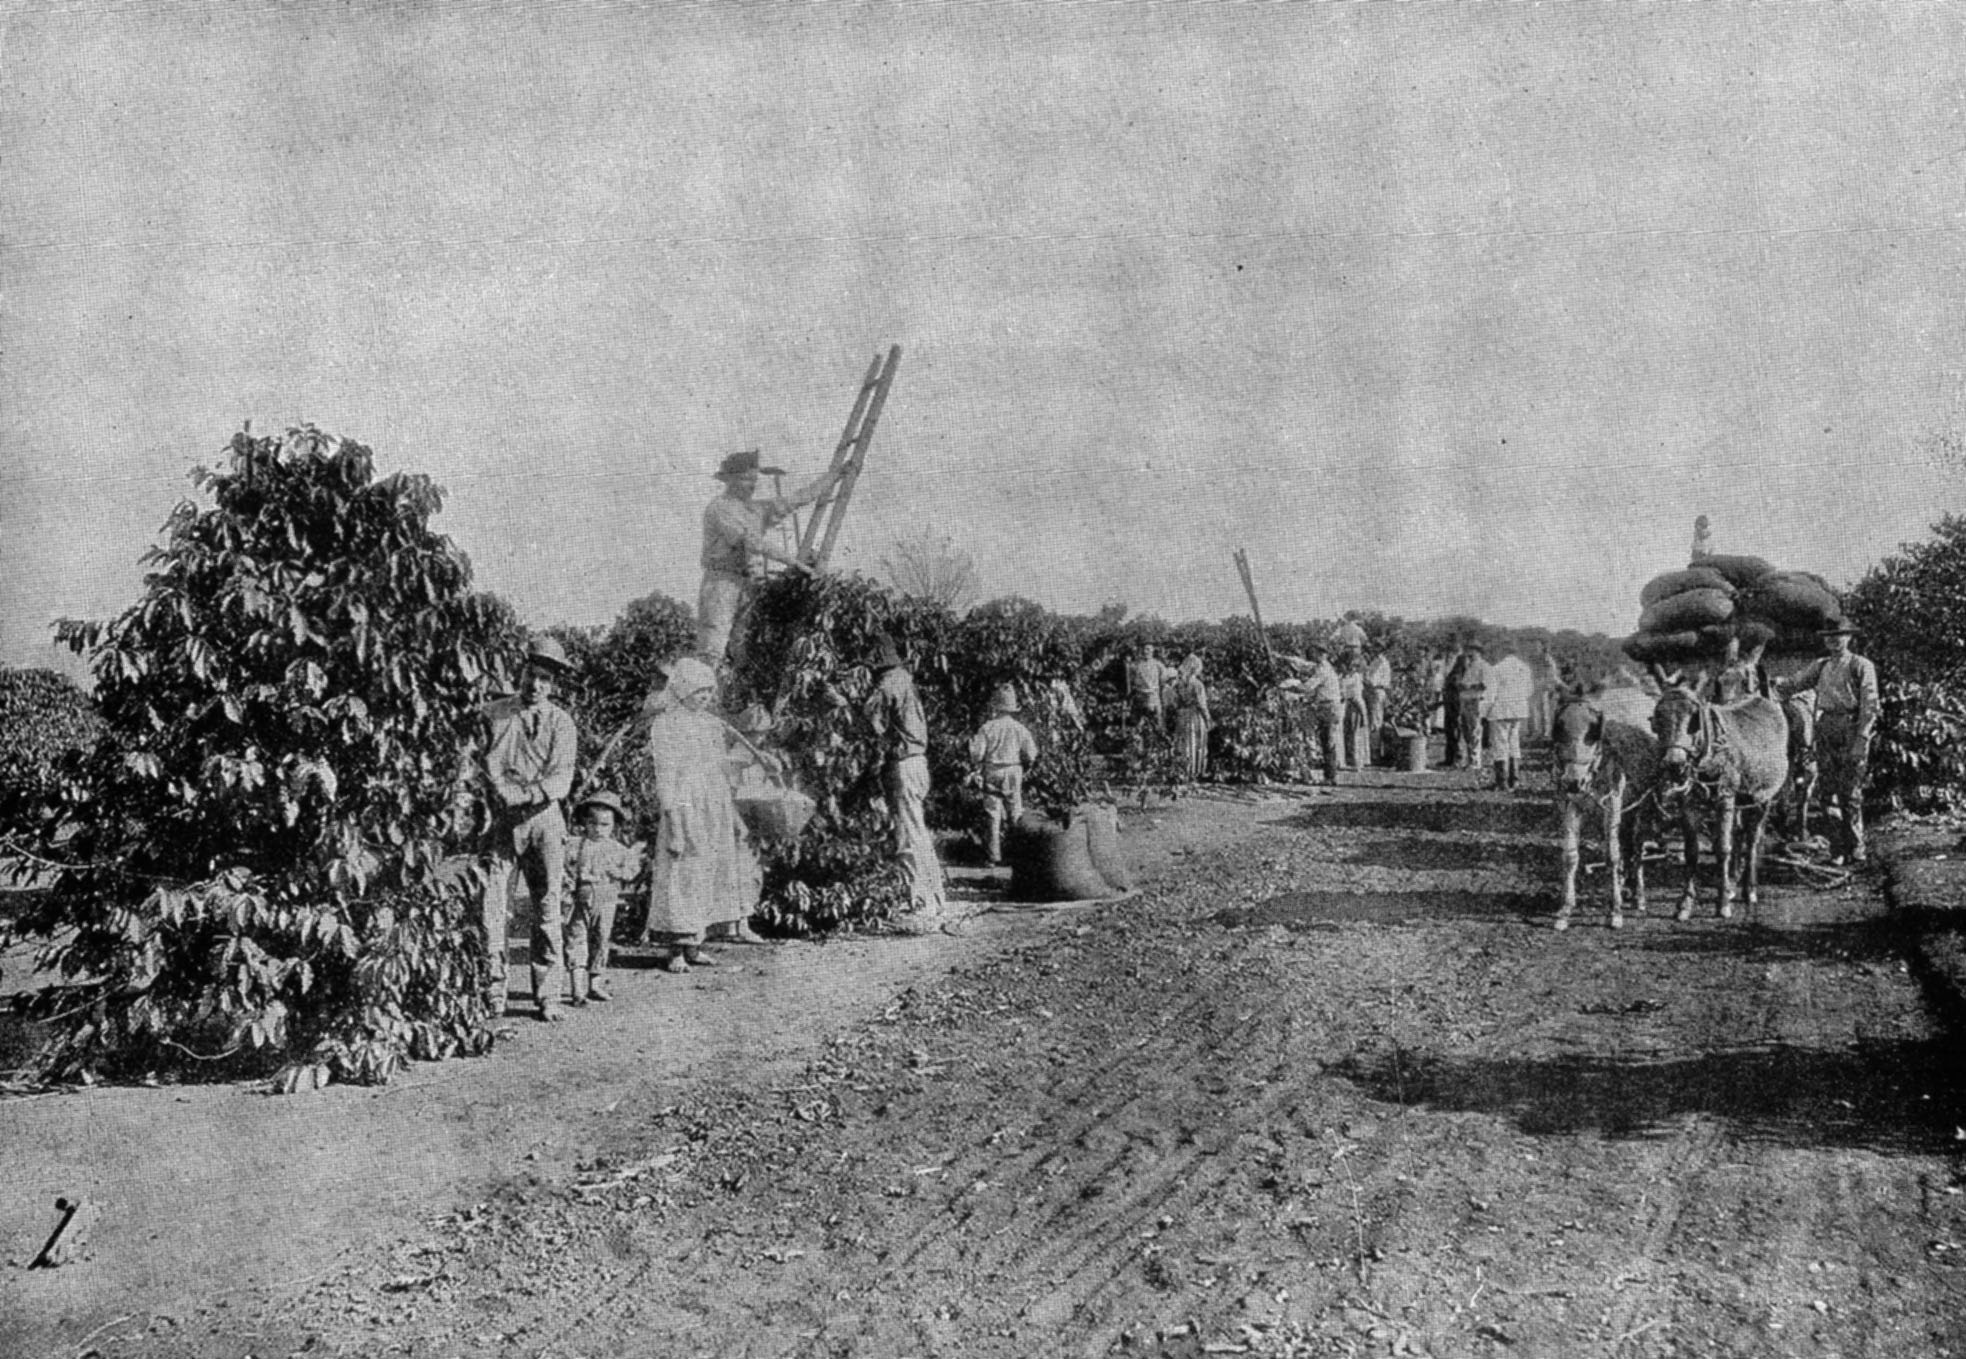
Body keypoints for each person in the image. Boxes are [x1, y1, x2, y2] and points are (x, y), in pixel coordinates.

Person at [479, 637, 580, 1024]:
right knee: (493, 907)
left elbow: (562, 779)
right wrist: (493, 789)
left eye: (544, 679)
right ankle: (493, 991)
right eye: (530, 675)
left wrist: (523, 793)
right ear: (519, 672)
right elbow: (477, 760)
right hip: (501, 822)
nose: (535, 685)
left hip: (543, 821)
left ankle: (548, 994)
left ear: (553, 684)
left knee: (547, 907)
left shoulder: (562, 723)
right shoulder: (494, 713)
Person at [642, 657, 761, 971]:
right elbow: (666, 775)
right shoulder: (666, 724)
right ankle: (675, 950)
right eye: (699, 691)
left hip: (713, 803)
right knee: (684, 874)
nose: (705, 697)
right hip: (684, 804)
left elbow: (720, 768)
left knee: (707, 874)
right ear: (682, 690)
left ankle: (695, 943)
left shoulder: (710, 723)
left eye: (709, 692)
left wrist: (732, 813)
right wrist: (676, 826)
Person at [697, 448, 840, 664]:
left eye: (754, 479)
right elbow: (751, 542)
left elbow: (797, 499)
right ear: (730, 480)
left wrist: (834, 476)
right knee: (713, 645)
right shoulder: (720, 508)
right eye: (746, 479)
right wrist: (795, 563)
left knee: (742, 648)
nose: (752, 485)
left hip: (747, 582)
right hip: (722, 582)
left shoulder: (756, 509)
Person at [864, 634, 952, 930]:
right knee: (918, 831)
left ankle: (919, 902)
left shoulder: (887, 684)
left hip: (902, 764)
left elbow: (872, 724)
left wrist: (843, 703)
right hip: (918, 763)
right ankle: (935, 898)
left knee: (907, 835)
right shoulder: (906, 679)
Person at [1778, 621, 1880, 865]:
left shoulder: (1860, 665)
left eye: (1840, 635)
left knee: (1851, 792)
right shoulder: (1821, 665)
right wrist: (1771, 684)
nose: (1835, 640)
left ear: (1849, 638)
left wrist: (1862, 739)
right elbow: (1795, 684)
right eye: (1830, 636)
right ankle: (1838, 850)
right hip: (1825, 729)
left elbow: (1870, 704)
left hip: (1851, 727)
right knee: (1828, 793)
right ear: (1825, 640)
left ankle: (1856, 847)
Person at [561, 791, 642, 1005]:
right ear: (585, 823)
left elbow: (632, 869)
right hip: (580, 899)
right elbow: (563, 866)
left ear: (614, 826)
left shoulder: (617, 849)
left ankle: (595, 984)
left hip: (606, 898)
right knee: (576, 939)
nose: (598, 829)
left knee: (600, 939)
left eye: (605, 825)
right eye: (593, 823)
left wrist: (619, 873)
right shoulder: (576, 845)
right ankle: (577, 990)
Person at [969, 684, 1040, 866]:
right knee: (1015, 812)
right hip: (1013, 769)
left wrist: (977, 764)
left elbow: (977, 754)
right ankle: (1017, 855)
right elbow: (1031, 754)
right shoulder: (1020, 729)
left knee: (992, 814)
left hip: (993, 769)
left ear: (995, 707)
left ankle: (993, 857)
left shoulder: (987, 728)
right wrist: (1026, 764)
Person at [1282, 642, 1344, 786]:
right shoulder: (1320, 666)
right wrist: (1285, 658)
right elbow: (1303, 665)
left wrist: (1288, 687)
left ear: (1320, 654)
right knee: (1326, 741)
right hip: (1327, 707)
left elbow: (1307, 687)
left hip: (1328, 708)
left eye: (1313, 653)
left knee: (1327, 742)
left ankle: (1330, 777)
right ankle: (1330, 775)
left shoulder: (1323, 670)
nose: (1311, 656)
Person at [1484, 645, 1533, 790]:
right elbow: (1529, 690)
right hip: (1518, 710)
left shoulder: (1497, 668)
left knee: (1500, 745)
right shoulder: (1525, 668)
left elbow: (1490, 694)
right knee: (1514, 743)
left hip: (1501, 710)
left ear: (1502, 652)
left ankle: (1502, 781)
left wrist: (1485, 712)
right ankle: (1515, 779)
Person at [1169, 653, 1211, 781]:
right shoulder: (1197, 685)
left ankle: (1182, 772)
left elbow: (1175, 702)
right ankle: (1193, 772)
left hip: (1182, 715)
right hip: (1194, 716)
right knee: (1195, 743)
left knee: (1183, 743)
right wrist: (1208, 719)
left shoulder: (1179, 684)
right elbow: (1202, 704)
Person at [1453, 641, 1493, 770]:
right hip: (1465, 699)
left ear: (1478, 652)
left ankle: (1475, 761)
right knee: (1466, 731)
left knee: (1475, 730)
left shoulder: (1484, 666)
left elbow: (1484, 684)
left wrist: (1468, 687)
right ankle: (1469, 759)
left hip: (1475, 700)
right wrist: (1460, 686)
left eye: (1472, 650)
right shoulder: (1469, 666)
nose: (1469, 653)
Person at [1126, 644, 1170, 740]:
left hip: (1153, 697)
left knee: (1156, 722)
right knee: (1137, 723)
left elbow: (1164, 681)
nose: (1146, 652)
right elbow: (1131, 681)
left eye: (1148, 650)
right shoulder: (1136, 665)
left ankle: (1157, 745)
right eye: (1144, 649)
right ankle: (1138, 747)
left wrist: (1159, 694)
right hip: (1139, 697)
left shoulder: (1158, 665)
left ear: (1153, 652)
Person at [1362, 647, 1393, 761]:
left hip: (1377, 691)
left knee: (1376, 721)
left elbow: (1372, 680)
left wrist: (1364, 679)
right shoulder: (1375, 661)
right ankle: (1374, 750)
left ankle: (1375, 752)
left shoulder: (1381, 662)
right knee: (1373, 721)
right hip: (1373, 692)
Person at [1339, 656, 1369, 769]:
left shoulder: (1356, 677)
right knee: (1348, 734)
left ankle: (1358, 762)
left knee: (1357, 734)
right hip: (1346, 706)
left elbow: (1356, 696)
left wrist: (1363, 714)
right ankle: (1349, 759)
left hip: (1355, 706)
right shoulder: (1343, 677)